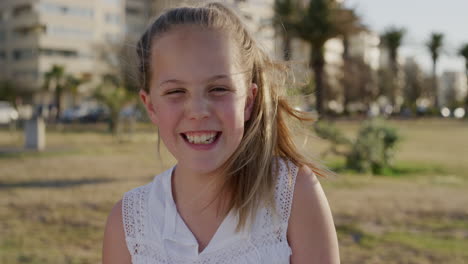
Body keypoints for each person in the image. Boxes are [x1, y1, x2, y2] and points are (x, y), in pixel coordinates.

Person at [102, 2, 339, 263]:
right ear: (151, 106)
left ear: (248, 101)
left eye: (218, 89)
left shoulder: (293, 193)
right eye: (175, 92)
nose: (198, 111)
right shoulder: (128, 224)